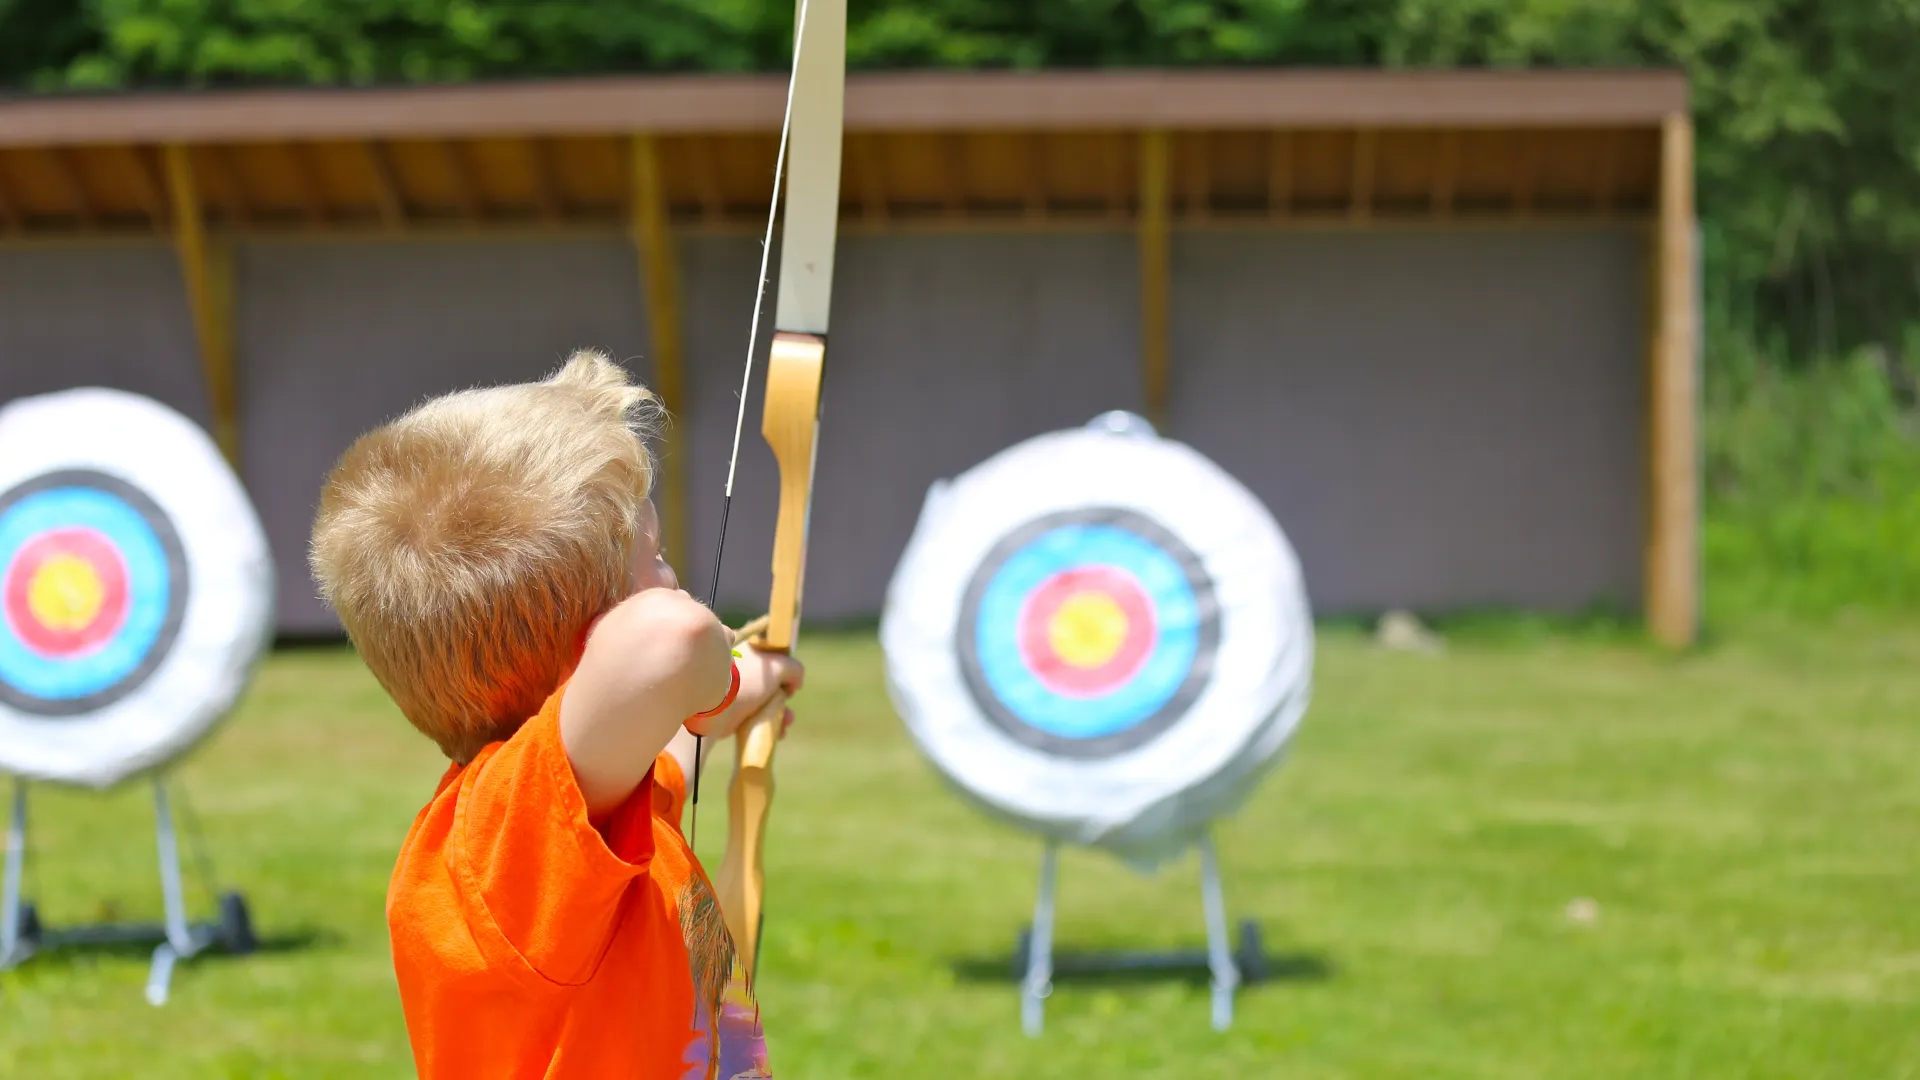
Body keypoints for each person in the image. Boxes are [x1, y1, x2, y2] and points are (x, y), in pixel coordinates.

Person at [310, 350, 802, 1079]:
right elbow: (670, 644)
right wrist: (720, 683)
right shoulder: (502, 845)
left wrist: (742, 693)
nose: (675, 584)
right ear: (591, 637)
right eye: (654, 559)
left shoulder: (582, 812)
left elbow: (666, 744)